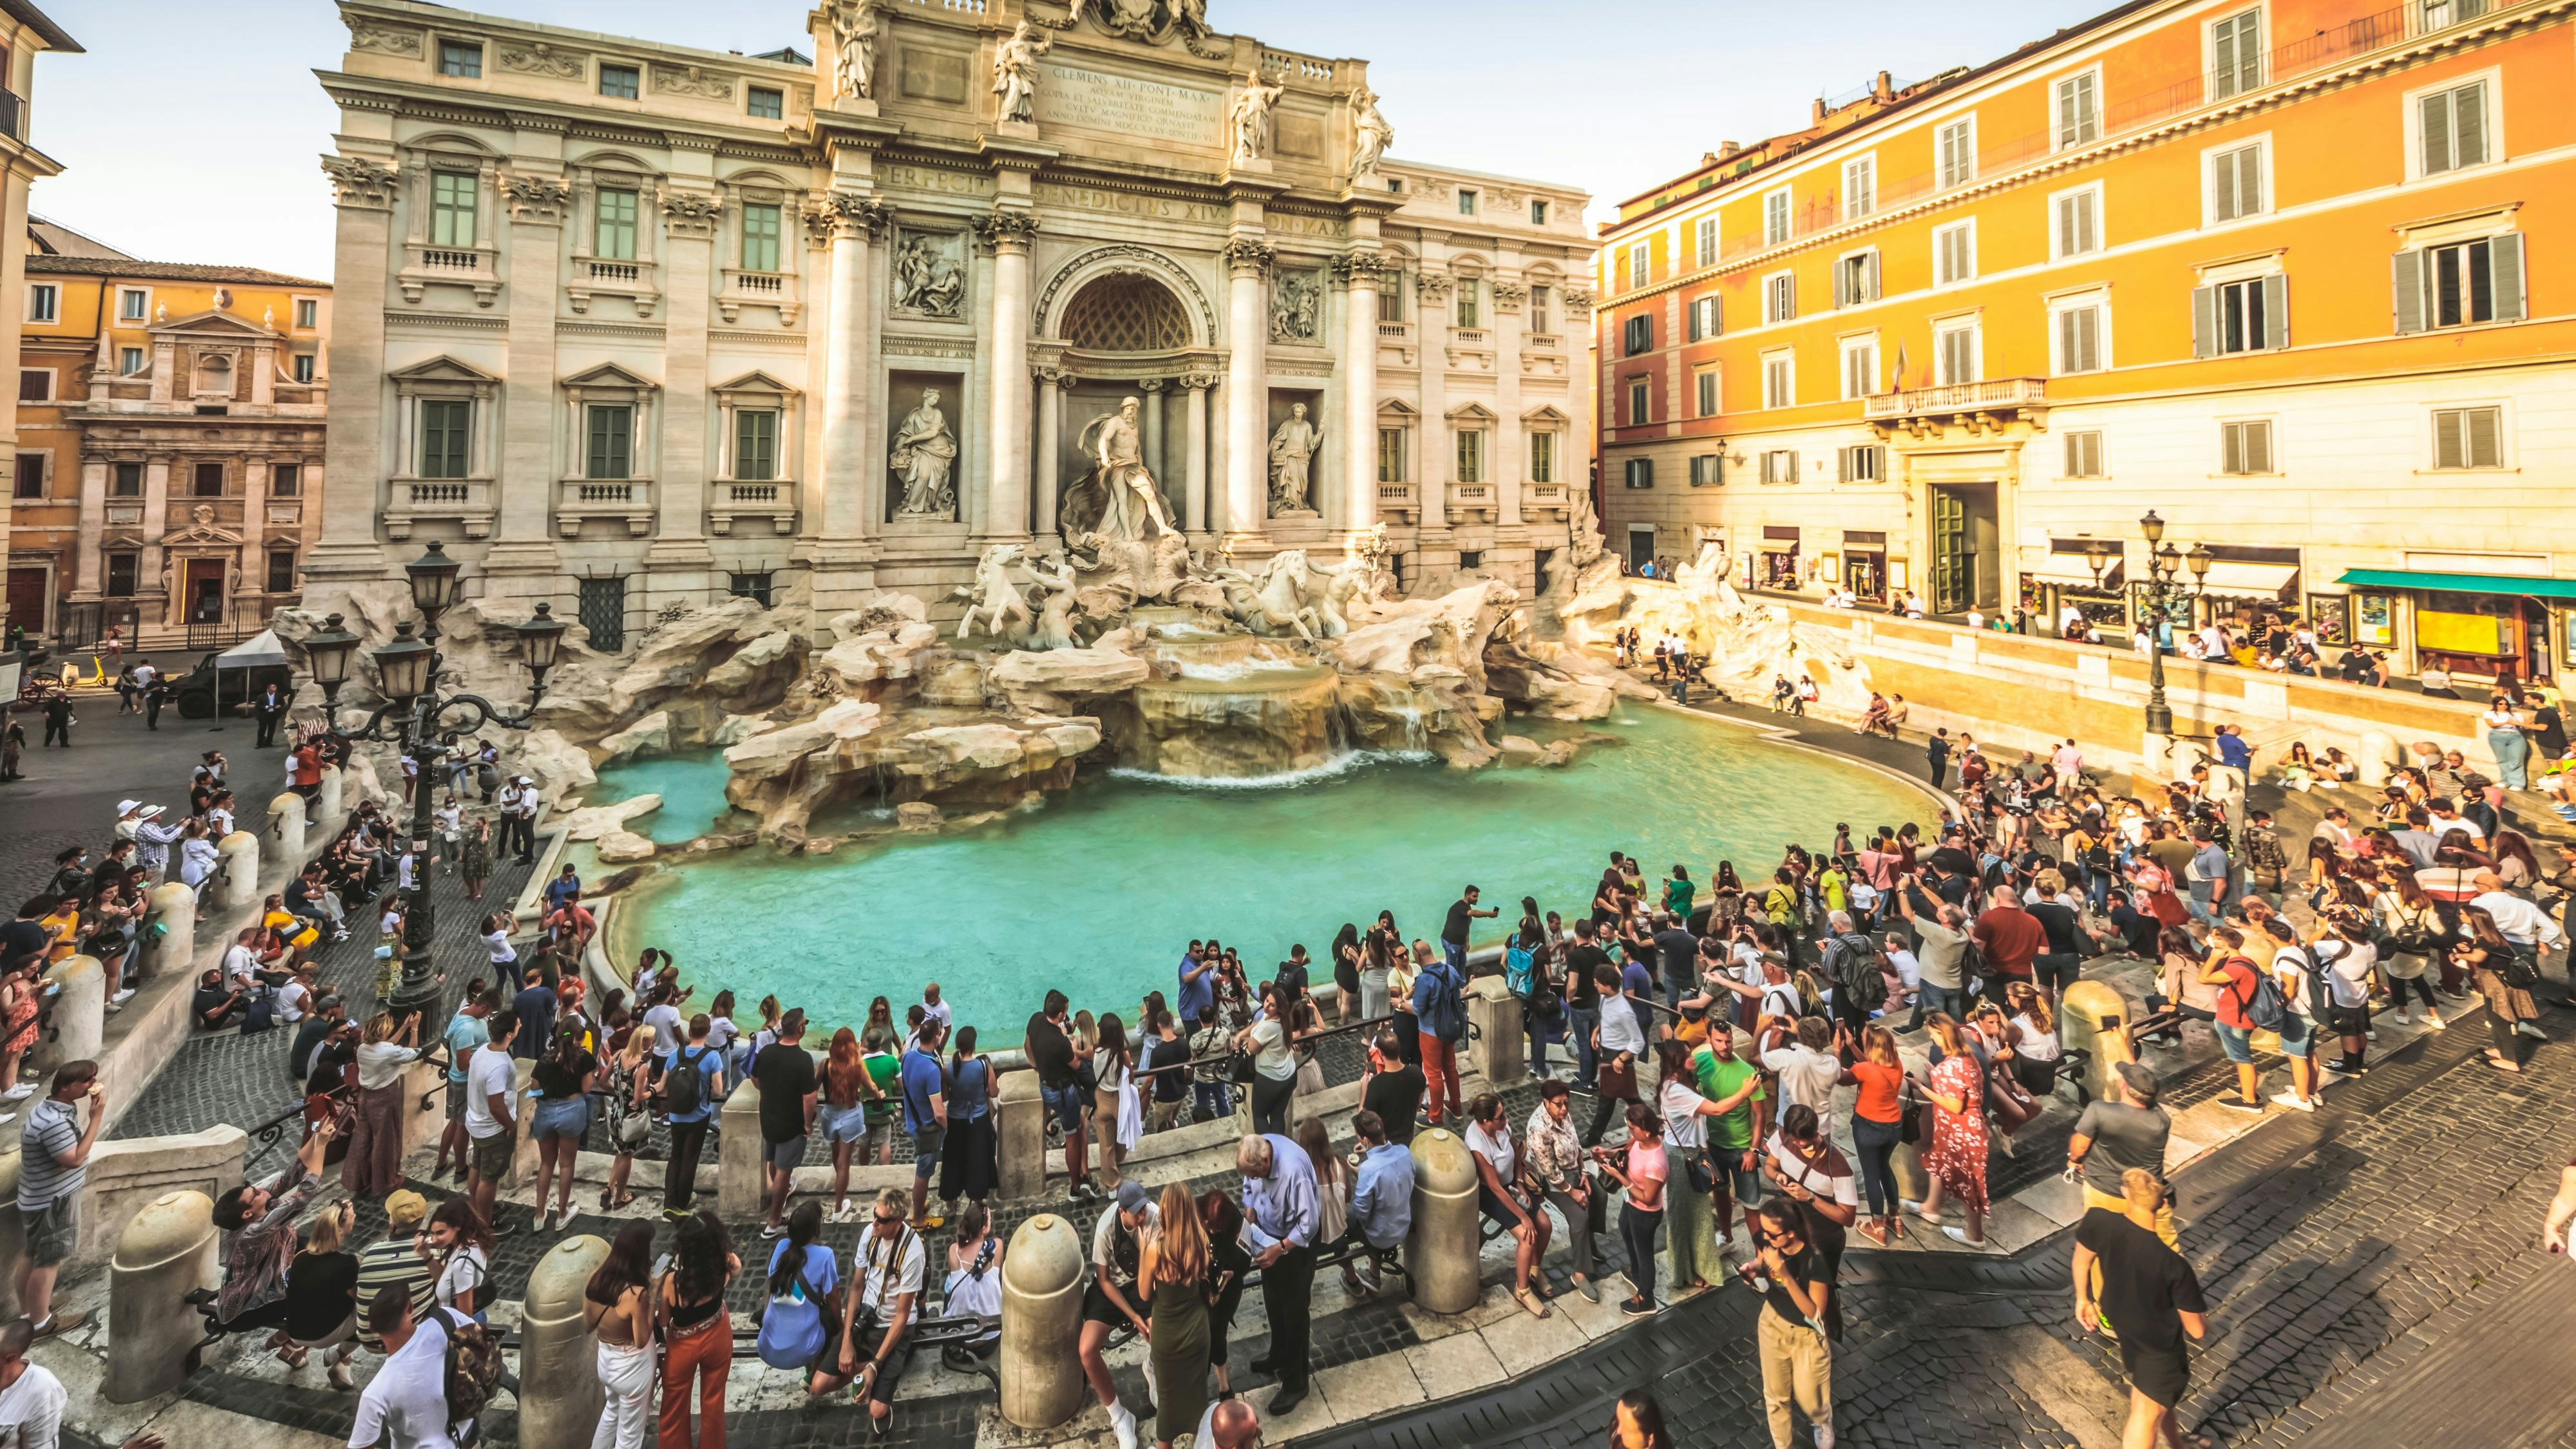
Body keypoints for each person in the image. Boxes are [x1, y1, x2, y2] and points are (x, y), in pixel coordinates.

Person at [2073, 1170, 2212, 1449]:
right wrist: (2204, 1318)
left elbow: (2081, 1261)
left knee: (2152, 1399)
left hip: (2126, 1332)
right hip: (2159, 1348)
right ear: (2163, 1205)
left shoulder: (2100, 1220)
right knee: (2146, 1415)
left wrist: (2083, 1300)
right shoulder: (2173, 1265)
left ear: (2125, 1193)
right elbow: (2196, 1331)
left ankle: (2178, 1445)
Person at [213, 1118, 336, 1355]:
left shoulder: (261, 1206)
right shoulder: (252, 1233)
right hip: (245, 1311)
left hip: (274, 1278)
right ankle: (291, 1341)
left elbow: (294, 1172)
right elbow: (304, 1194)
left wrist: (317, 1137)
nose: (261, 1189)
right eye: (255, 1193)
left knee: (310, 1255)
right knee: (321, 1296)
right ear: (248, 1213)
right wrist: (321, 1146)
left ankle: (287, 1339)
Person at [820, 1188, 923, 1435]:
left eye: (882, 1219)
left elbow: (901, 1316)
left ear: (898, 1223)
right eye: (874, 1215)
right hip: (865, 1318)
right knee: (819, 1384)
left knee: (876, 1410)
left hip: (893, 1326)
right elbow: (856, 1288)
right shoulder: (870, 1234)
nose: (874, 1222)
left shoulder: (913, 1252)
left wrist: (874, 1366)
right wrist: (846, 1341)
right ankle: (879, 1367)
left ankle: (883, 1365)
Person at [15, 1060, 106, 1340]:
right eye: (87, 1080)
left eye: (94, 1078)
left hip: (36, 1197)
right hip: (53, 1201)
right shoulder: (53, 1123)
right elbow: (75, 1159)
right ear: (66, 1086)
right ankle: (42, 1323)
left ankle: (30, 1311)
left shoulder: (47, 1109)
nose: (93, 1084)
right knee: (48, 1261)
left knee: (31, 1255)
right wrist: (96, 1119)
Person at [1238, 1132, 1319, 1416]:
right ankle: (1279, 1354)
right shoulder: (1257, 1152)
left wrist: (1280, 1249)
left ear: (1266, 1160)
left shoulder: (1294, 1171)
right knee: (1273, 1301)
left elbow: (1309, 1224)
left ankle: (1297, 1382)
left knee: (1295, 1312)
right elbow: (1248, 1186)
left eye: (1256, 1174)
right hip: (1268, 1236)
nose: (1253, 1179)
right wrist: (1249, 1213)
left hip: (1294, 1246)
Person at [1746, 1200, 1835, 1449]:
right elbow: (1763, 1264)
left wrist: (1784, 1274)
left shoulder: (1813, 1261)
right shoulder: (1769, 1240)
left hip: (1807, 1336)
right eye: (1763, 1231)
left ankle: (1822, 1420)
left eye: (1771, 1233)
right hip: (1772, 1324)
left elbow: (1814, 1314)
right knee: (1776, 1398)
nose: (1764, 1237)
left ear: (1790, 1233)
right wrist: (1754, 1269)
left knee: (1811, 1400)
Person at [1464, 1092, 1555, 1318]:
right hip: (1491, 1194)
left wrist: (1521, 1183)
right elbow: (1494, 1187)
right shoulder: (1477, 1143)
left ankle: (1534, 1269)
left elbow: (1516, 1155)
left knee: (1544, 1224)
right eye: (1501, 1117)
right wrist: (1523, 1217)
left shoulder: (1502, 1128)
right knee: (1527, 1235)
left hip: (1513, 1185)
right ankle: (1522, 1290)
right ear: (1486, 1122)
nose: (1506, 1120)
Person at [1139, 1180, 1212, 1449]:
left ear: (1166, 1212)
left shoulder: (1156, 1250)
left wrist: (1143, 1248)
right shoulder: (1201, 1241)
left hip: (1167, 1336)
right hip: (1197, 1332)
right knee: (1198, 1398)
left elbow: (1144, 1294)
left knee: (1167, 1401)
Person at [658, 1209, 739, 1449]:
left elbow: (663, 1321)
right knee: (714, 1403)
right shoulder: (723, 1265)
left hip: (683, 1345)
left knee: (674, 1406)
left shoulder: (674, 1282)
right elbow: (737, 1267)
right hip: (718, 1334)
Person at [1913, 1015, 1989, 1246]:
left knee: (1969, 1182)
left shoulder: (1953, 1066)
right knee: (1940, 1162)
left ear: (1942, 1035)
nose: (1931, 1037)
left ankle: (1975, 1236)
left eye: (1933, 1034)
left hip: (1961, 1130)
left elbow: (1955, 1104)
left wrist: (1921, 1088)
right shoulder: (1968, 1057)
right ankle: (1931, 1207)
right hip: (1960, 1128)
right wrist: (1935, 1072)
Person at [584, 1220, 660, 1449]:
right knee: (630, 1436)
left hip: (606, 1361)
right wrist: (653, 1294)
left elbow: (588, 1326)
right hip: (632, 1368)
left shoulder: (595, 1278)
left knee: (610, 1414)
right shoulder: (636, 1295)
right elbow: (641, 1340)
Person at [347, 1287, 452, 1449]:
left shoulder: (375, 1392)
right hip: (462, 1434)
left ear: (372, 1328)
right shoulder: (446, 1319)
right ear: (411, 1307)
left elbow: (361, 1446)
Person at [1589, 1102, 1667, 1318]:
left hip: (1645, 1212)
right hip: (1630, 1203)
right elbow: (1629, 1153)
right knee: (1625, 1230)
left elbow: (1648, 1198)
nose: (1629, 1131)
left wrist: (1620, 1178)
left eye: (1632, 1128)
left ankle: (1646, 1298)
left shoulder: (1657, 1164)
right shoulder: (1639, 1140)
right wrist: (1607, 1152)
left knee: (1645, 1253)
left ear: (1647, 1131)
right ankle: (1636, 1272)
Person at [752, 1010, 820, 1239]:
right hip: (791, 1124)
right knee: (783, 1170)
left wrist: (770, 1091)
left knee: (773, 1161)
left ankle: (778, 1197)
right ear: (800, 1030)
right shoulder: (803, 1059)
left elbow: (755, 1079)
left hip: (768, 1119)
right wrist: (808, 1125)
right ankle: (774, 1221)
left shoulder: (767, 1052)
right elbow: (809, 1098)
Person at [285, 1198, 363, 1390]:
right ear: (342, 1228)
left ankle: (336, 1360)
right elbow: (360, 1301)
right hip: (322, 1335)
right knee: (371, 1312)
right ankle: (341, 1358)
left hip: (294, 1330)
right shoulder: (348, 1263)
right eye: (353, 1216)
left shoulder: (300, 1257)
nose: (356, 1217)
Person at [1026, 991, 1095, 1201]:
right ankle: (1075, 1187)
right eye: (1065, 1012)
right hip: (1064, 1092)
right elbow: (1075, 1064)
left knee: (1078, 1127)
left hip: (1045, 1086)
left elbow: (1027, 1045)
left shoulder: (1035, 1020)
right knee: (1072, 1137)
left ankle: (1084, 1174)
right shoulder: (1060, 1041)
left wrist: (1036, 1065)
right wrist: (1074, 1047)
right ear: (1059, 1015)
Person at [354, 1189, 437, 1356]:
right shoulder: (433, 1250)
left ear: (392, 1225)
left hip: (369, 1342)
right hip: (404, 1338)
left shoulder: (373, 1252)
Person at [461, 1009, 522, 1235]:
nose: (520, 1027)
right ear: (508, 1034)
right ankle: (484, 1226)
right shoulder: (501, 1064)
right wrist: (511, 1125)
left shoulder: (482, 1051)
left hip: (476, 1123)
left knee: (477, 1167)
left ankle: (476, 1209)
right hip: (493, 1129)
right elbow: (496, 1105)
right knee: (490, 1178)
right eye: (517, 1025)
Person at [661, 1016, 726, 1221]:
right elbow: (718, 1090)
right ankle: (682, 1201)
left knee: (676, 1156)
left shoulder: (675, 1054)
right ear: (707, 1031)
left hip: (675, 1115)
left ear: (690, 1032)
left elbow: (662, 1085)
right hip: (698, 1116)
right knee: (690, 1159)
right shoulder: (712, 1056)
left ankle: (669, 1203)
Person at [1412, 936, 1467, 1126]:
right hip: (1450, 1026)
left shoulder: (1424, 980)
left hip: (1430, 1031)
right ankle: (1456, 1107)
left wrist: (1401, 1004)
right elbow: (1458, 994)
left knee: (1434, 1074)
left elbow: (1418, 1009)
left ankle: (1435, 1117)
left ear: (1419, 957)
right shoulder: (1450, 970)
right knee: (1450, 1068)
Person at [1441, 884, 1497, 972]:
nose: (1477, 899)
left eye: (1477, 897)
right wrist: (1488, 914)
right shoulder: (1460, 907)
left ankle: (1462, 985)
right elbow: (1473, 913)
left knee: (1462, 965)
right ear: (1467, 895)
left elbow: (1466, 926)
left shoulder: (1467, 908)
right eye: (1474, 896)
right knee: (1452, 968)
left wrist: (1467, 942)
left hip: (1460, 942)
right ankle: (1451, 986)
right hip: (1451, 942)